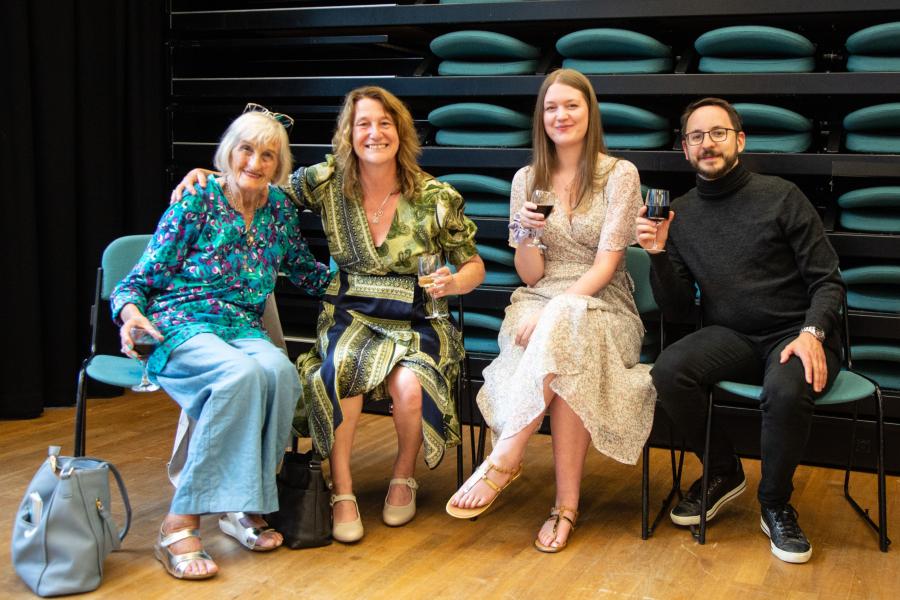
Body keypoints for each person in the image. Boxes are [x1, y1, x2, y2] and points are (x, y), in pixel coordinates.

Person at [173, 86, 485, 544]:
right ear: (349, 134)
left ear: (400, 132)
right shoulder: (326, 180)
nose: (374, 133)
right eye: (363, 124)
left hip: (418, 318)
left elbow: (473, 263)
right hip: (351, 312)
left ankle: (404, 476)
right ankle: (341, 491)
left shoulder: (437, 197)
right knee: (334, 376)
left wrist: (455, 283)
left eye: (384, 123)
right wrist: (211, 174)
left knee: (410, 386)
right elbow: (258, 179)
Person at [112, 105, 332, 580]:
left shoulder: (278, 210)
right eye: (246, 150)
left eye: (268, 155)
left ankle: (241, 505)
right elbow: (137, 280)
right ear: (228, 153)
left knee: (279, 374)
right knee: (241, 376)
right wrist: (129, 315)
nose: (255, 162)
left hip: (239, 326)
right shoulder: (197, 197)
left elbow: (307, 272)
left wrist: (368, 273)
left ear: (280, 164)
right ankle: (179, 521)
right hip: (181, 322)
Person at [446, 68, 656, 554]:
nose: (561, 115)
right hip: (539, 300)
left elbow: (607, 265)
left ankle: (507, 455)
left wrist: (560, 307)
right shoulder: (527, 179)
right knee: (565, 364)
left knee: (566, 328)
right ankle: (565, 507)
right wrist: (523, 235)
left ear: (590, 113)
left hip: (603, 303)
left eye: (571, 106)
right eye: (551, 108)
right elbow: (531, 275)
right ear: (541, 118)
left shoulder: (619, 174)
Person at [635, 97, 844, 564]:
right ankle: (724, 470)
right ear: (685, 149)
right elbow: (677, 310)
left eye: (718, 133)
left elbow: (828, 281)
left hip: (796, 333)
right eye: (696, 136)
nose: (707, 144)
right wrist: (657, 254)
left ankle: (775, 504)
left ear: (739, 140)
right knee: (669, 370)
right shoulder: (680, 215)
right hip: (732, 335)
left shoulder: (781, 196)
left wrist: (812, 332)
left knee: (787, 391)